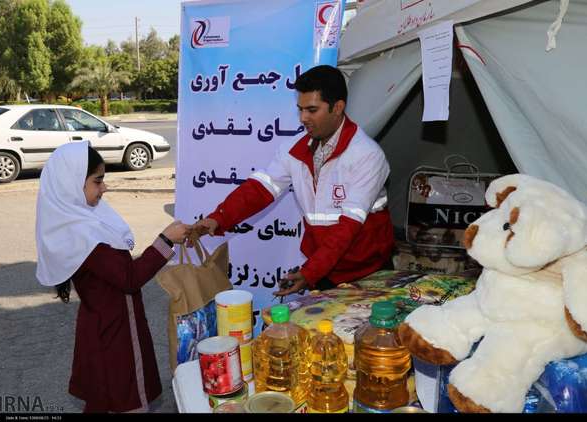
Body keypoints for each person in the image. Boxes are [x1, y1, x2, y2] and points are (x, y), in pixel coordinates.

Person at [193, 65, 394, 297]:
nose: (303, 118)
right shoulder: (294, 149)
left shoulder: (367, 155)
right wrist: (218, 218)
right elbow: (259, 190)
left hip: (367, 271)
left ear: (338, 107)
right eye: (300, 109)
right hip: (324, 267)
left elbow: (347, 228)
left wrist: (309, 273)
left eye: (311, 110)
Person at [35, 141, 190, 413]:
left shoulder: (83, 220)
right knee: (121, 397)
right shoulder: (82, 233)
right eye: (97, 181)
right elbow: (128, 278)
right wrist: (166, 240)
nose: (104, 188)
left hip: (110, 324)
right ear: (71, 184)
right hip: (113, 334)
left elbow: (119, 270)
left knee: (106, 398)